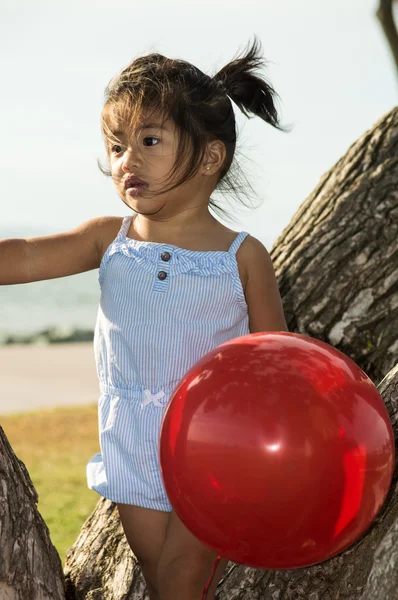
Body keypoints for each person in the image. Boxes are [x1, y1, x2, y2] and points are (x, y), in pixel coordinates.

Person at [0, 35, 288, 600]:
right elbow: (28, 255)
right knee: (162, 578)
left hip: (214, 440)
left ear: (209, 156)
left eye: (148, 141)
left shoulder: (242, 254)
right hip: (131, 442)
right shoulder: (109, 239)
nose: (125, 161)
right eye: (116, 146)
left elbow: (278, 356)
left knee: (183, 573)